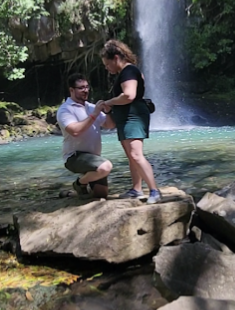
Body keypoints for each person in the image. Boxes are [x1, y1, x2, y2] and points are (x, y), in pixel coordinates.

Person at [100, 39, 162, 204]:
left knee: (136, 154)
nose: (107, 68)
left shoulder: (129, 71)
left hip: (133, 116)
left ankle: (154, 191)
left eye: (107, 64)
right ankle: (136, 189)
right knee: (131, 156)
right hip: (126, 117)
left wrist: (110, 102)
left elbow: (129, 95)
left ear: (116, 57)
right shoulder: (127, 72)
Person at [57, 73, 115, 199]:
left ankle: (71, 194)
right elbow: (75, 131)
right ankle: (80, 183)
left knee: (101, 195)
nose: (85, 90)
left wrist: (108, 111)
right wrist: (94, 114)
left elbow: (110, 125)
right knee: (105, 167)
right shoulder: (65, 110)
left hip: (93, 158)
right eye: (81, 88)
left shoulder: (91, 107)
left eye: (87, 87)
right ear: (71, 90)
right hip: (74, 157)